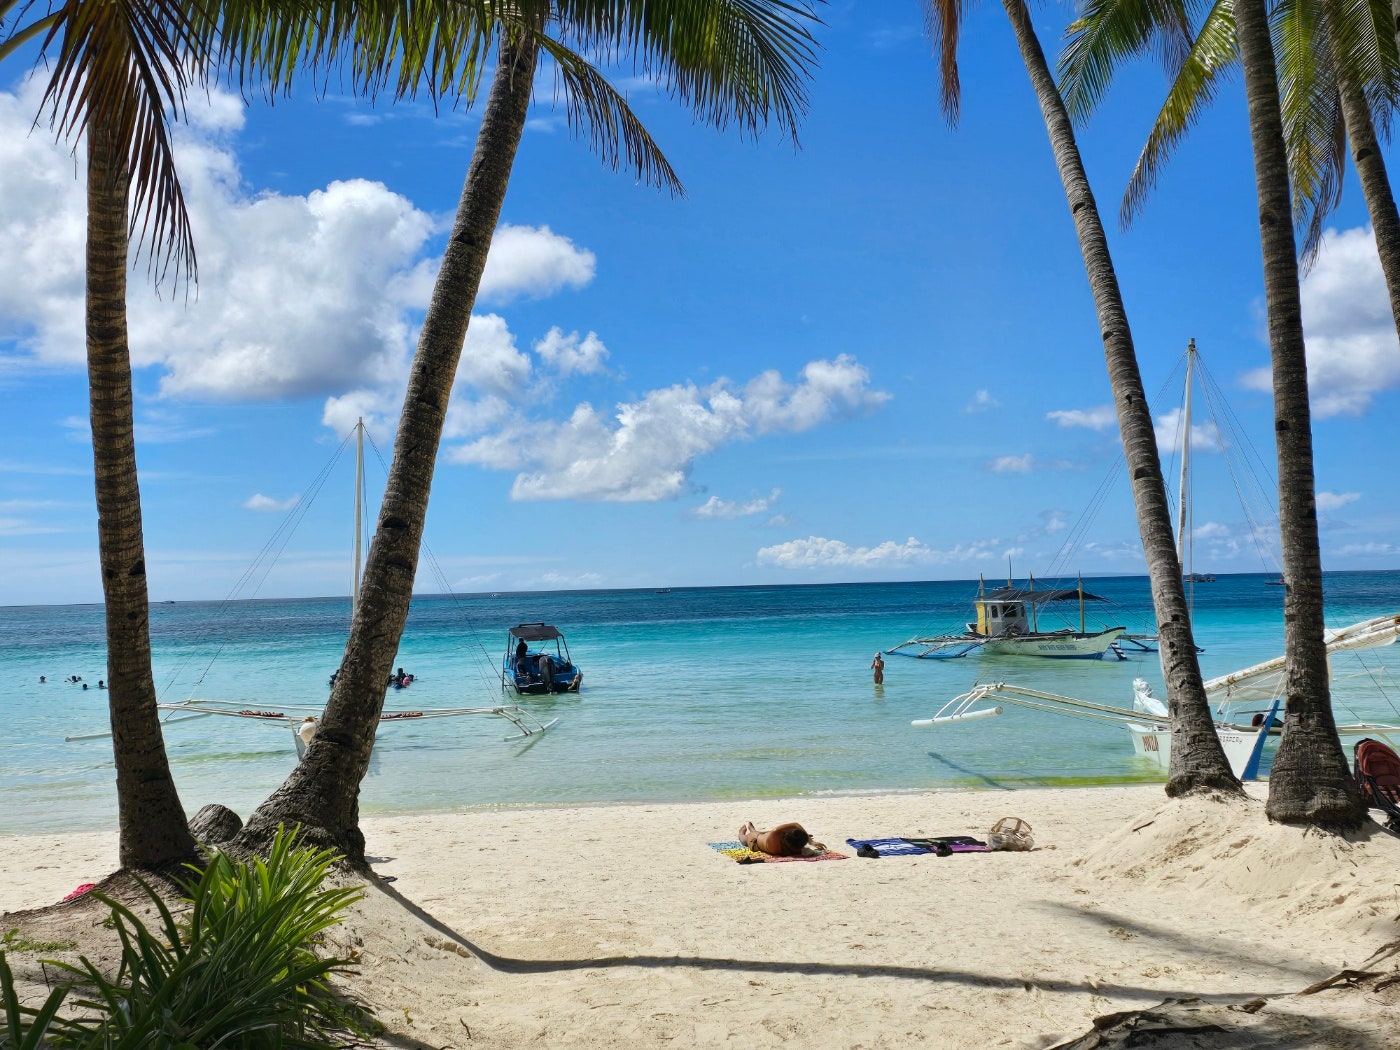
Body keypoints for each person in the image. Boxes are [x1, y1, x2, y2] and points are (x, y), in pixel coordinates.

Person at [738, 821, 814, 857]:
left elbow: (795, 825)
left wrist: (806, 838)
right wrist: (810, 841)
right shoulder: (775, 839)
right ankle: (742, 832)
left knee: (764, 834)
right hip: (755, 839)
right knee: (742, 838)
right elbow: (795, 824)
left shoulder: (776, 837)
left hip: (759, 839)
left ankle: (751, 830)